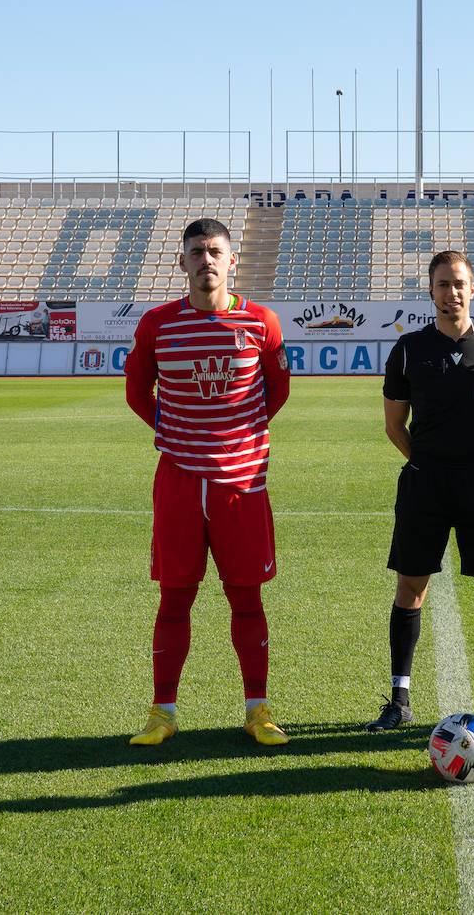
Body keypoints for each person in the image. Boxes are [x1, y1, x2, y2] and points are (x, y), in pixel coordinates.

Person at [124, 217, 292, 747]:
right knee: (174, 600)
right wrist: (175, 432)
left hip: (241, 485)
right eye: (196, 252)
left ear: (232, 259)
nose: (206, 261)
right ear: (182, 262)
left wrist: (237, 439)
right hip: (177, 481)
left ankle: (258, 709)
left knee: (247, 600)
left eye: (215, 251)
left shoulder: (261, 322)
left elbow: (277, 390)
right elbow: (136, 391)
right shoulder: (157, 324)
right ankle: (163, 712)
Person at [366, 250, 474, 734]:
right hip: (424, 484)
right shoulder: (409, 349)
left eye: (459, 283)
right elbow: (394, 425)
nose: (452, 292)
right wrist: (427, 462)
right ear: (431, 290)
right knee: (410, 586)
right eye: (443, 284)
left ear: (472, 288)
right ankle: (399, 701)